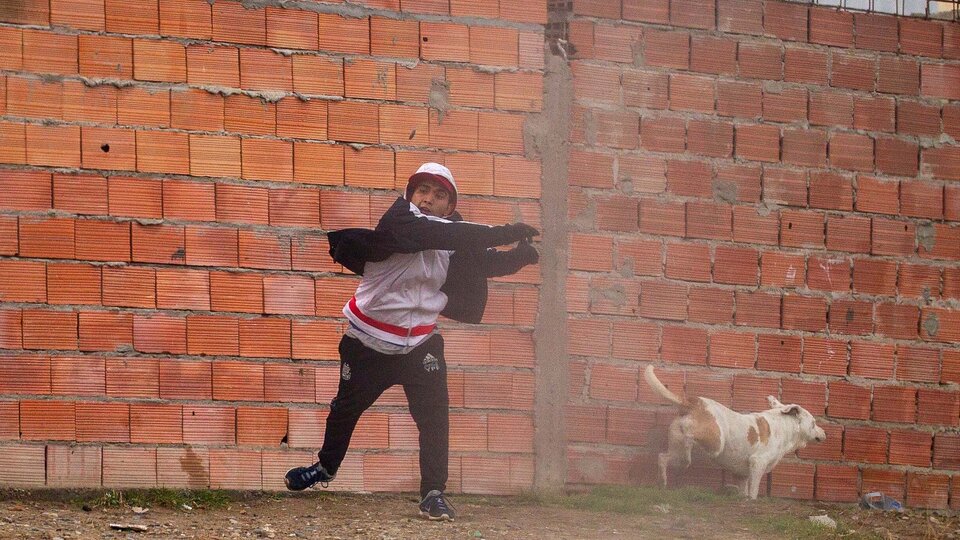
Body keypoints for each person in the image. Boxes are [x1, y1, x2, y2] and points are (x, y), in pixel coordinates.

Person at [284, 162, 540, 521]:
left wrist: (521, 256)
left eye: (439, 196)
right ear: (409, 196)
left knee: (434, 419)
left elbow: (483, 263)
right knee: (345, 410)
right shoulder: (400, 222)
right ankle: (325, 469)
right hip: (367, 341)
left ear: (450, 208)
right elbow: (450, 235)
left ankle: (433, 493)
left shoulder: (451, 240)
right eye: (422, 191)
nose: (429, 199)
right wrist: (503, 230)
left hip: (420, 344)